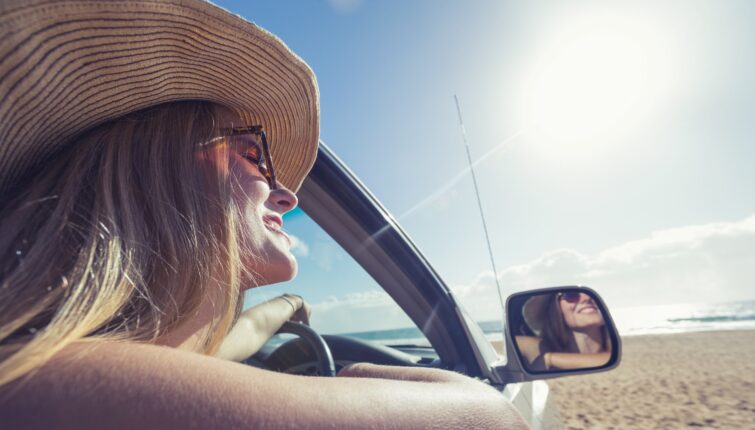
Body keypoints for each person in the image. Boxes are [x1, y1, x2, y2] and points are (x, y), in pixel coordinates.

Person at [0, 1, 528, 429]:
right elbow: (491, 418)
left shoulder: (53, 371)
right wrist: (358, 373)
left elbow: (240, 336)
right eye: (254, 155)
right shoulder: (55, 388)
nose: (287, 197)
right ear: (156, 172)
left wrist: (288, 305)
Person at [515, 292, 612, 371]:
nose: (586, 298)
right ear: (556, 309)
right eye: (571, 294)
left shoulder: (616, 351)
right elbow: (510, 345)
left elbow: (611, 360)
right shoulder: (540, 347)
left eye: (592, 294)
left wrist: (549, 359)